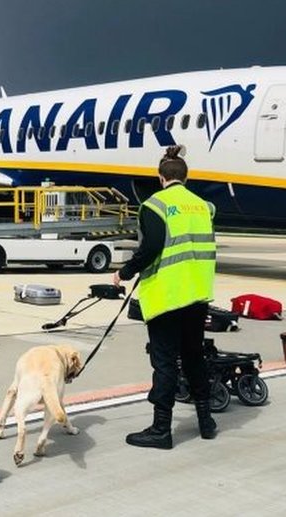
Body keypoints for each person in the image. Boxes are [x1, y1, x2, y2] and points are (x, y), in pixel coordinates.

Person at [113, 144, 217, 449]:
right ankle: (206, 421)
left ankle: (161, 429)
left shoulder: (155, 205)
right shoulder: (203, 206)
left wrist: (125, 272)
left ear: (161, 178)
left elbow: (152, 246)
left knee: (165, 363)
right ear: (185, 177)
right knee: (194, 356)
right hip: (198, 295)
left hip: (168, 296)